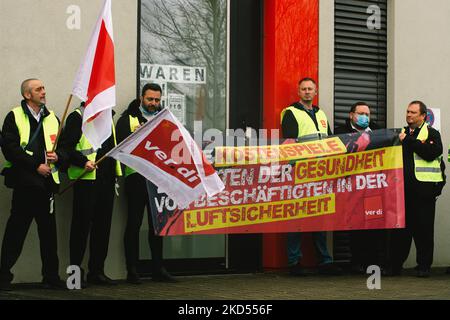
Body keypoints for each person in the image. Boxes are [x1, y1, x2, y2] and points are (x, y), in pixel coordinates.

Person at [0, 78, 66, 290]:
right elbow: (10, 149)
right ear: (27, 95)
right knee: (16, 233)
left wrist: (59, 157)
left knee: (49, 235)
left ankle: (51, 276)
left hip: (46, 186)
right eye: (38, 89)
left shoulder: (52, 117)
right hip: (25, 184)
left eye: (44, 88)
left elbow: (64, 147)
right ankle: (3, 276)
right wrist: (36, 165)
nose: (43, 92)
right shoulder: (14, 116)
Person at [116, 83, 176, 284]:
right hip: (136, 177)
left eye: (157, 100)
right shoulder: (128, 119)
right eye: (150, 99)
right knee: (133, 224)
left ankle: (158, 269)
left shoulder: (164, 118)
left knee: (158, 226)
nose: (153, 103)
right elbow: (121, 147)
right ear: (142, 98)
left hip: (158, 178)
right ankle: (132, 270)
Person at [281, 77, 342, 276]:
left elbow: (330, 139)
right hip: (300, 171)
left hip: (322, 170)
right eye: (304, 89)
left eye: (310, 89)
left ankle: (325, 261)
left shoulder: (321, 113)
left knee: (321, 216)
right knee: (297, 216)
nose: (307, 92)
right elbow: (290, 143)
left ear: (315, 92)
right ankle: (294, 262)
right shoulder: (290, 112)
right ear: (298, 92)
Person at [59, 102, 122, 286]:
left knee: (102, 229)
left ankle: (97, 271)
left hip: (107, 179)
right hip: (86, 180)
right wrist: (83, 161)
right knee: (80, 228)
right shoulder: (77, 117)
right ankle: (75, 276)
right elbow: (66, 148)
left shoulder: (108, 117)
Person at [389, 101, 445, 278]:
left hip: (424, 193)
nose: (409, 115)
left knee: (424, 231)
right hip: (402, 192)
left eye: (413, 112)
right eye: (407, 111)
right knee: (400, 232)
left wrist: (410, 141)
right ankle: (394, 266)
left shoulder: (432, 133)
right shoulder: (400, 134)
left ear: (423, 116)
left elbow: (431, 153)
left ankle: (424, 267)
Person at [334, 102, 385, 274]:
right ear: (351, 115)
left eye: (367, 114)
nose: (364, 117)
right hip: (352, 187)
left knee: (373, 224)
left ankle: (373, 262)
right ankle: (356, 261)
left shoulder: (378, 131)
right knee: (355, 226)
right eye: (360, 113)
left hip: (372, 187)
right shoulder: (341, 132)